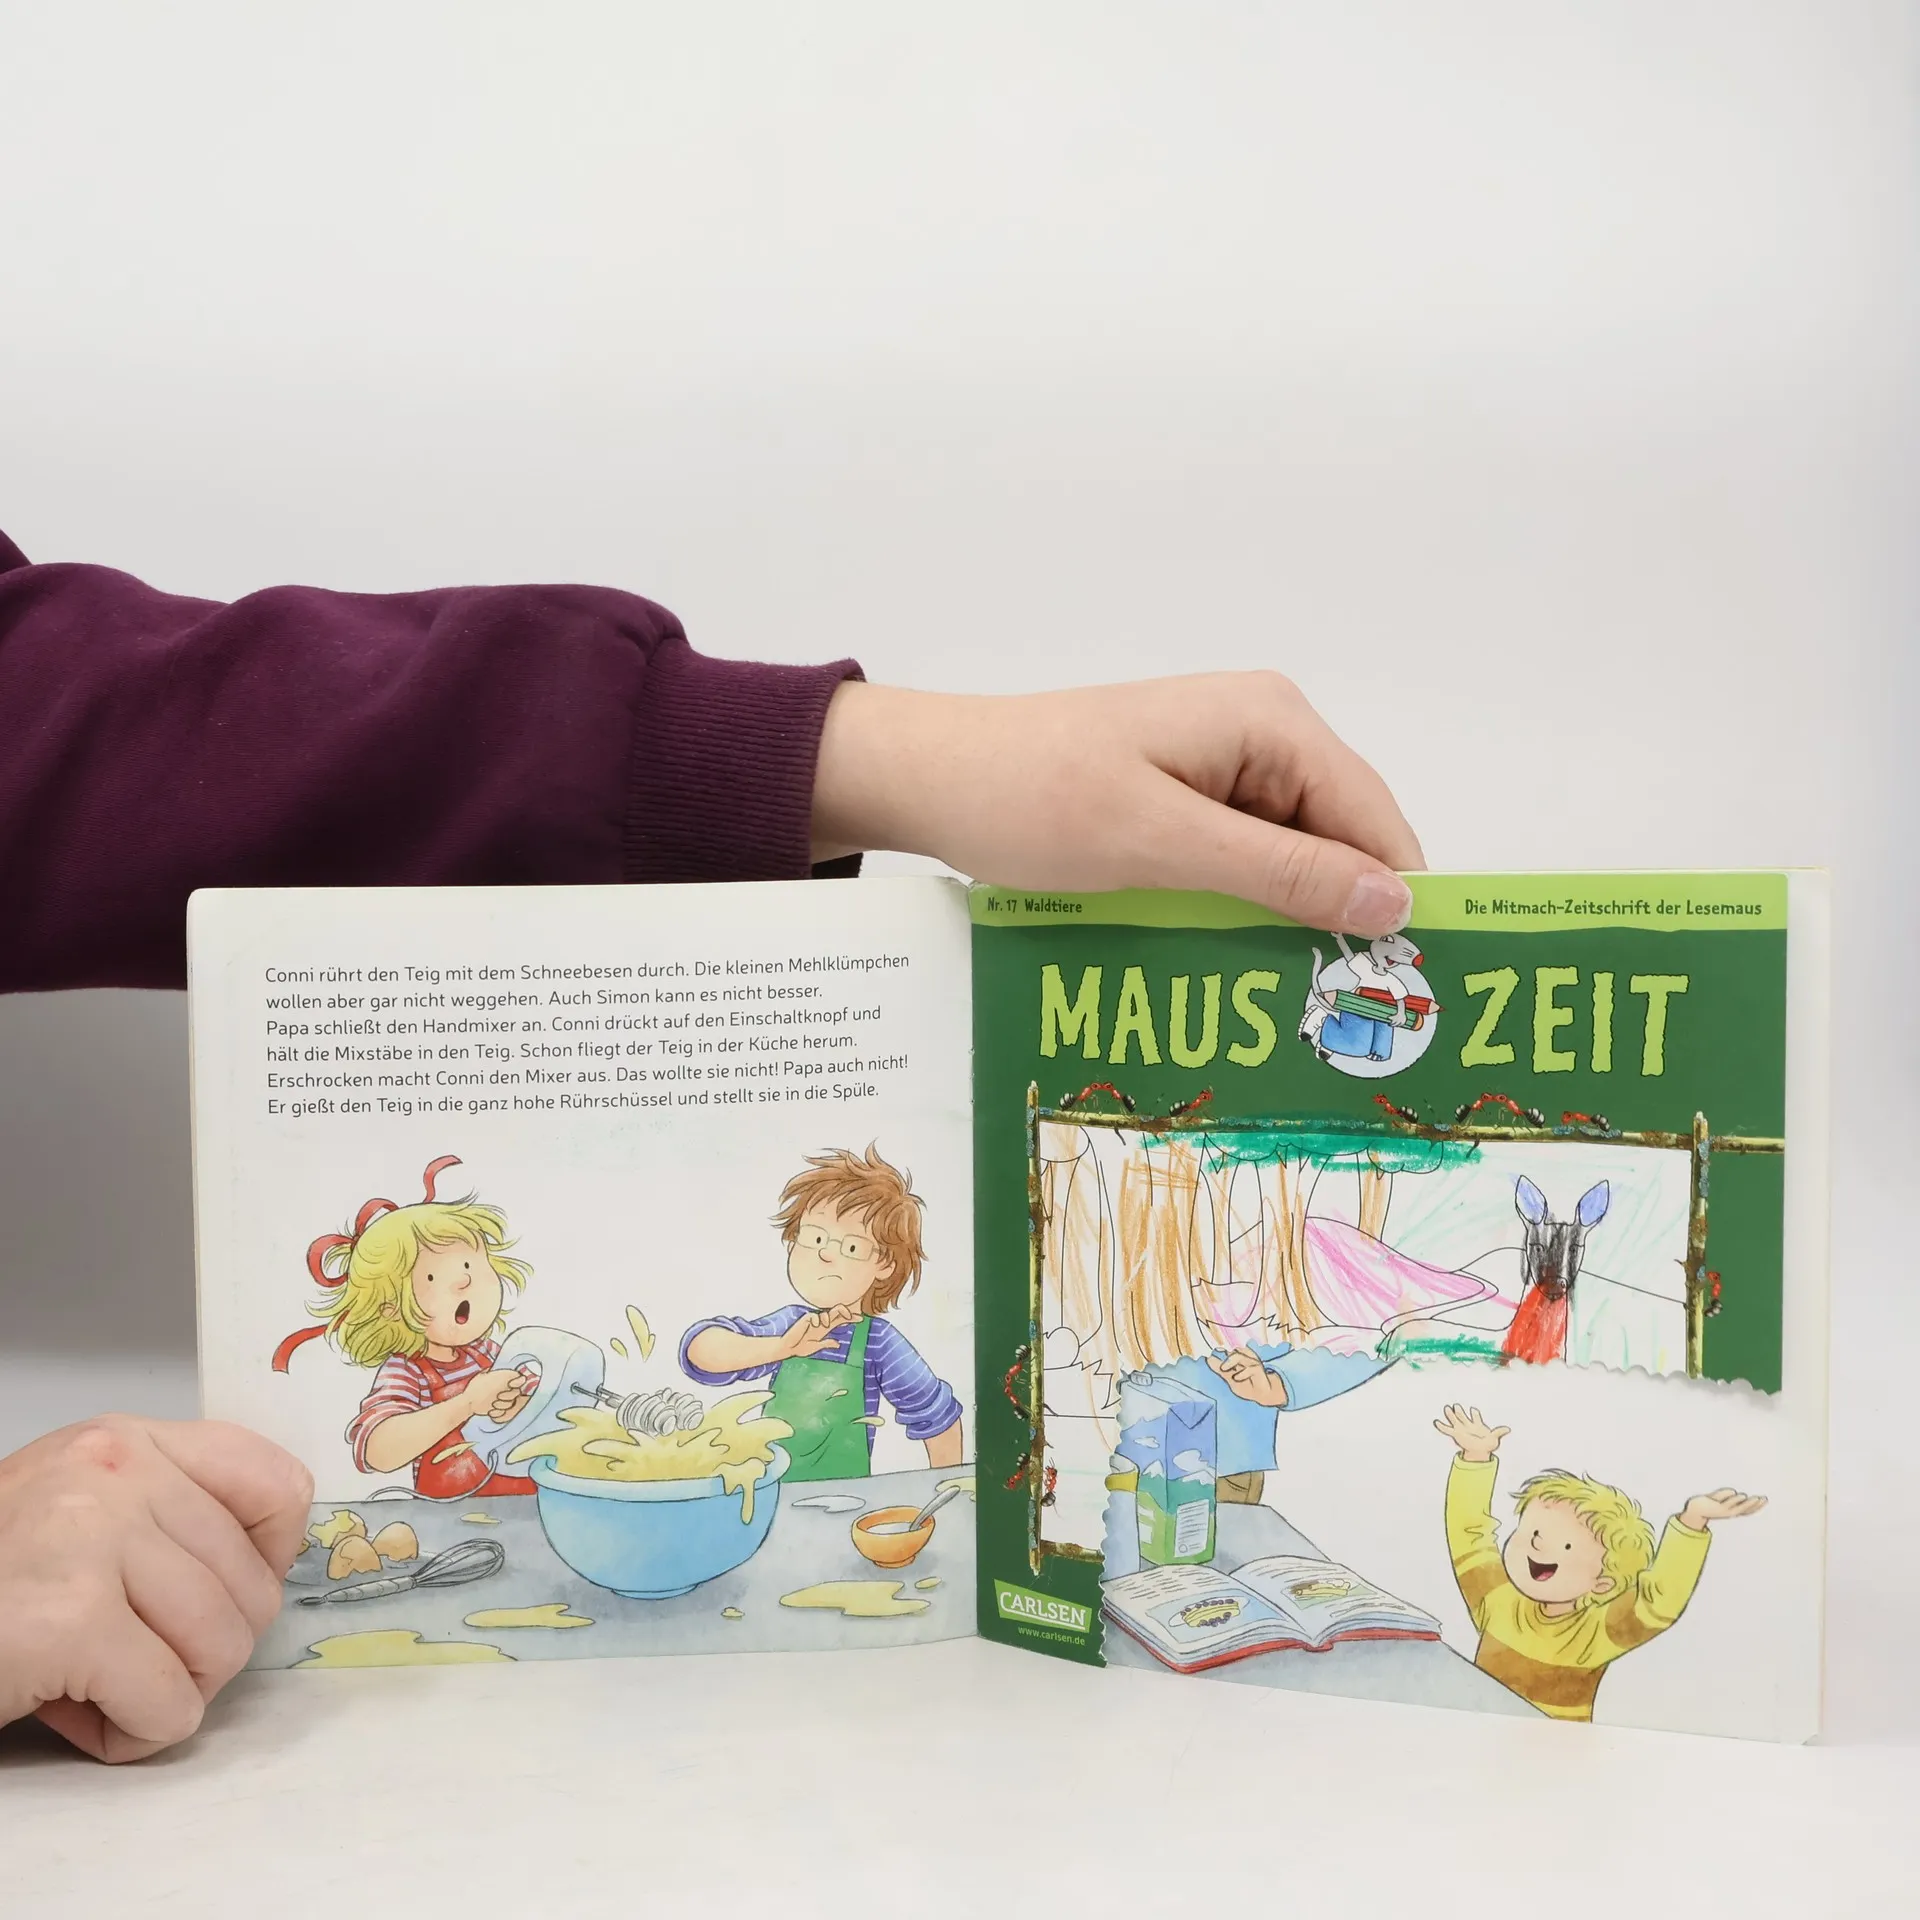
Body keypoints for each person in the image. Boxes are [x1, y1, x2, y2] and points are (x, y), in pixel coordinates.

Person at [0, 526, 1422, 1761]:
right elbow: (700, 1357)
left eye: (851, 1255)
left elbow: (75, 714)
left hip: (811, 1512)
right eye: (819, 1245)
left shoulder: (872, 1342)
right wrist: (735, 1351)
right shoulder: (692, 1338)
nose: (830, 1268)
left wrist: (860, 756)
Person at [1434, 1403, 1766, 1721]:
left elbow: (1659, 1600)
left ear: (1603, 1583)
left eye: (1566, 1545)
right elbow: (1470, 1535)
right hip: (1480, 1741)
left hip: (1557, 1753)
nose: (1537, 1543)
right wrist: (1476, 1458)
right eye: (1533, 1531)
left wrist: (1691, 1522)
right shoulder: (1499, 1602)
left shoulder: (1595, 1632)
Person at [681, 1146, 962, 1480]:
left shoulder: (879, 1343)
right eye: (814, 1237)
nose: (825, 1254)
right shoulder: (791, 1325)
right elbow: (700, 1351)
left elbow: (937, 1416)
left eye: (852, 1246)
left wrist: (947, 1490)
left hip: (847, 1499)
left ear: (885, 1264)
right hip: (769, 1494)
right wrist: (781, 1347)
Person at [279, 1154, 539, 1499]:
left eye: (468, 1264)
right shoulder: (407, 1371)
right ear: (391, 1309)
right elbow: (377, 1451)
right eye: (432, 1277)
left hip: (522, 1503)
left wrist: (521, 1403)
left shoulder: (491, 1354)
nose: (464, 1280)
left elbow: (548, 1403)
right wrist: (467, 1404)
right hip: (447, 1514)